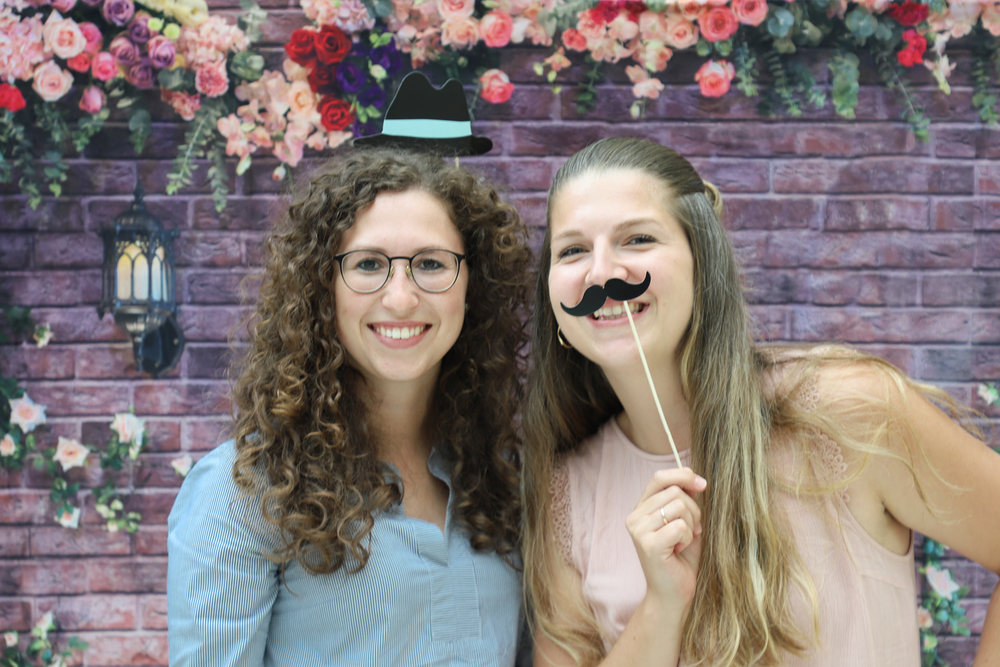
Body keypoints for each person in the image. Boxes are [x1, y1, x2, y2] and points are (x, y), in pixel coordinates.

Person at [522, 137, 1000, 667]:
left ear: (702, 262)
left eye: (637, 239)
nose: (600, 273)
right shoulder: (568, 493)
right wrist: (661, 606)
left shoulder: (846, 413)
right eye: (572, 250)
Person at [167, 148, 532, 666]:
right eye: (368, 264)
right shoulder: (243, 490)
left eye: (431, 263)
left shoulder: (504, 477)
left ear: (472, 285)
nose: (401, 298)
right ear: (323, 288)